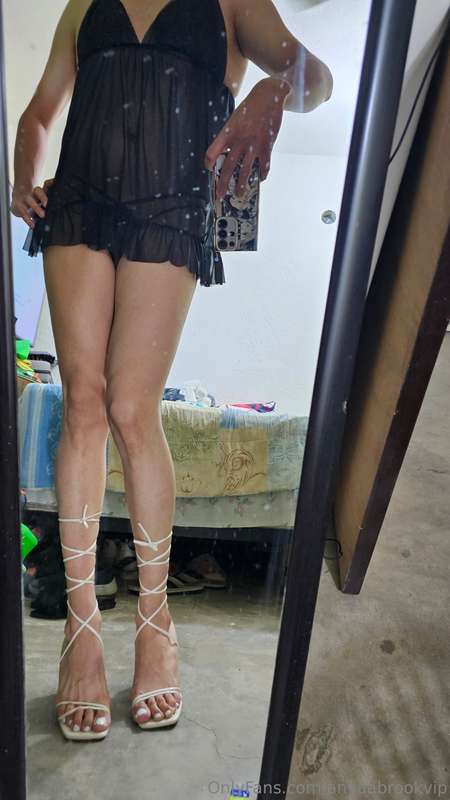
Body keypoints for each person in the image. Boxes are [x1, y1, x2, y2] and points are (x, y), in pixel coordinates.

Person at [11, 0, 333, 741]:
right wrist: (24, 177)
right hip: (78, 202)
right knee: (82, 402)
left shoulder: (233, 2)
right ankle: (82, 624)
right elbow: (38, 115)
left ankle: (156, 620)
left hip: (172, 205)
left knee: (131, 407)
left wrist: (273, 88)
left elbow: (317, 78)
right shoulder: (82, 5)